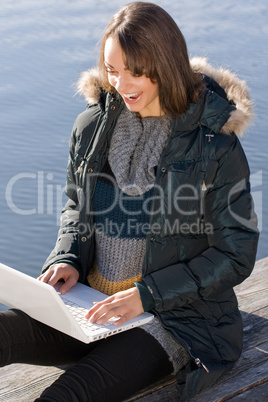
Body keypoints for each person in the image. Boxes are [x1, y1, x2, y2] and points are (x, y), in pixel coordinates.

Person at [0, 2, 259, 401]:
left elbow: (237, 252)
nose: (121, 84)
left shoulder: (214, 145)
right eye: (112, 70)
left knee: (65, 396)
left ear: (166, 65)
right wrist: (66, 258)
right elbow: (75, 206)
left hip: (172, 320)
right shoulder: (92, 126)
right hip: (91, 309)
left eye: (136, 71)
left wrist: (147, 295)